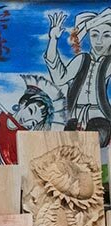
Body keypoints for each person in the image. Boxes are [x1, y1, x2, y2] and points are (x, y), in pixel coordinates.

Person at [45, 9, 111, 145]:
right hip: (75, 117)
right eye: (94, 35)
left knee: (96, 147)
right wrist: (53, 40)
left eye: (106, 36)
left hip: (100, 118)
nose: (99, 41)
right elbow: (59, 77)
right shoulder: (82, 59)